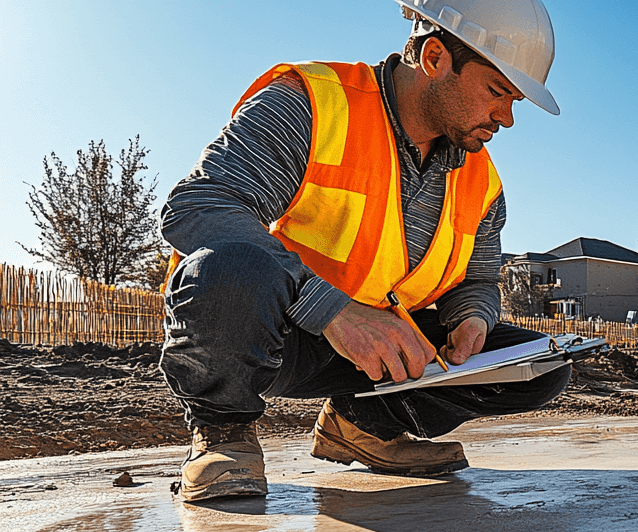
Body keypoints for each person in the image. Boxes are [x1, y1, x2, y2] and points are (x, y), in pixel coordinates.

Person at [159, 0, 567, 502]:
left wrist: (472, 320)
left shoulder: (481, 181)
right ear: (436, 58)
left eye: (515, 102)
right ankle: (223, 436)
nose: (505, 118)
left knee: (541, 365)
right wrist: (332, 310)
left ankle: (362, 425)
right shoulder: (310, 104)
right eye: (497, 92)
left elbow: (477, 281)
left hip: (381, 353)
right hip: (273, 333)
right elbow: (200, 206)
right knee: (227, 266)